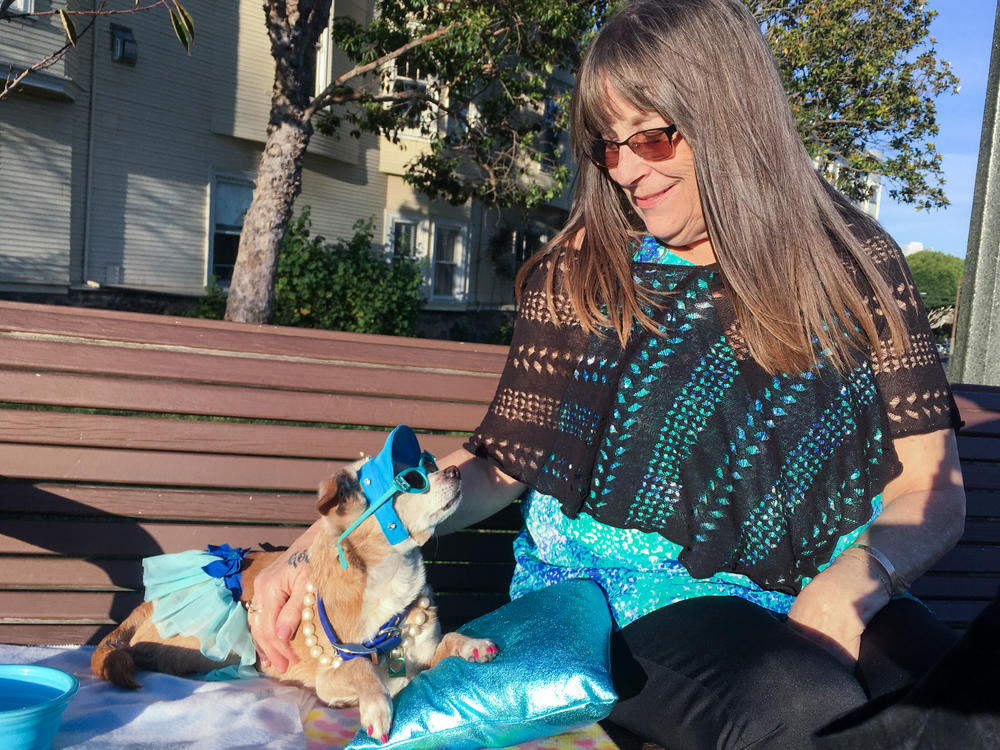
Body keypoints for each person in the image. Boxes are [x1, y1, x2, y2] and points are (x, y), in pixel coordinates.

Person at [248, 0, 997, 746]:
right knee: (799, 704)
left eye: (653, 137)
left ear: (729, 118)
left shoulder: (857, 267)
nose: (629, 171)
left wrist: (853, 581)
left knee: (967, 703)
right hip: (622, 606)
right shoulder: (588, 271)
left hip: (825, 587)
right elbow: (500, 462)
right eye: (609, 146)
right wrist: (314, 550)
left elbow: (929, 493)